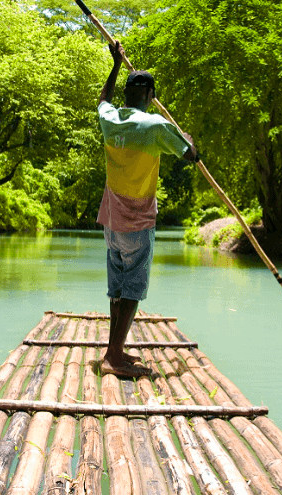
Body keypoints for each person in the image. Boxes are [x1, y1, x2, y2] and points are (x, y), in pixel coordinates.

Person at [96, 41, 199, 378]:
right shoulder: (157, 127)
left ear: (127, 93)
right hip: (137, 220)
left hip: (111, 219)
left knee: (117, 287)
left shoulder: (110, 120)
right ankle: (113, 357)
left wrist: (114, 65)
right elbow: (191, 156)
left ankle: (115, 351)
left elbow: (103, 102)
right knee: (133, 289)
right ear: (151, 95)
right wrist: (187, 136)